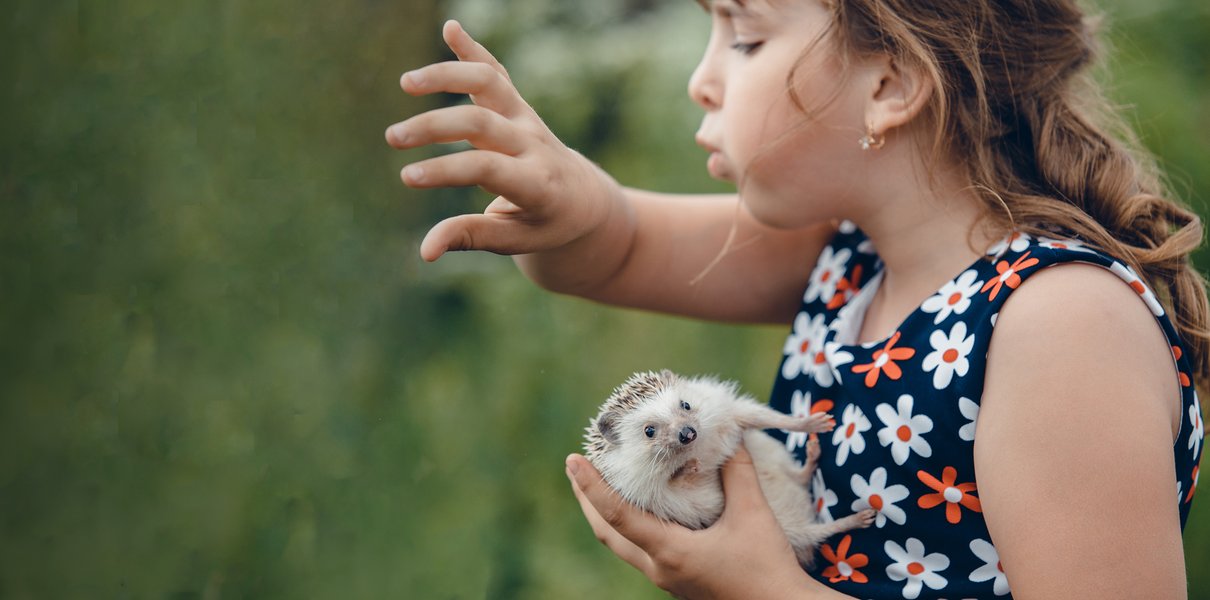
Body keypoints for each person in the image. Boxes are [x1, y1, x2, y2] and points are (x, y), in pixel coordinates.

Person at [385, 0, 1206, 597]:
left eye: (743, 36)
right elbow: (615, 249)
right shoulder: (850, 254)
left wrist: (765, 590)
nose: (701, 80)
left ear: (891, 82)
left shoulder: (1060, 325)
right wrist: (564, 199)